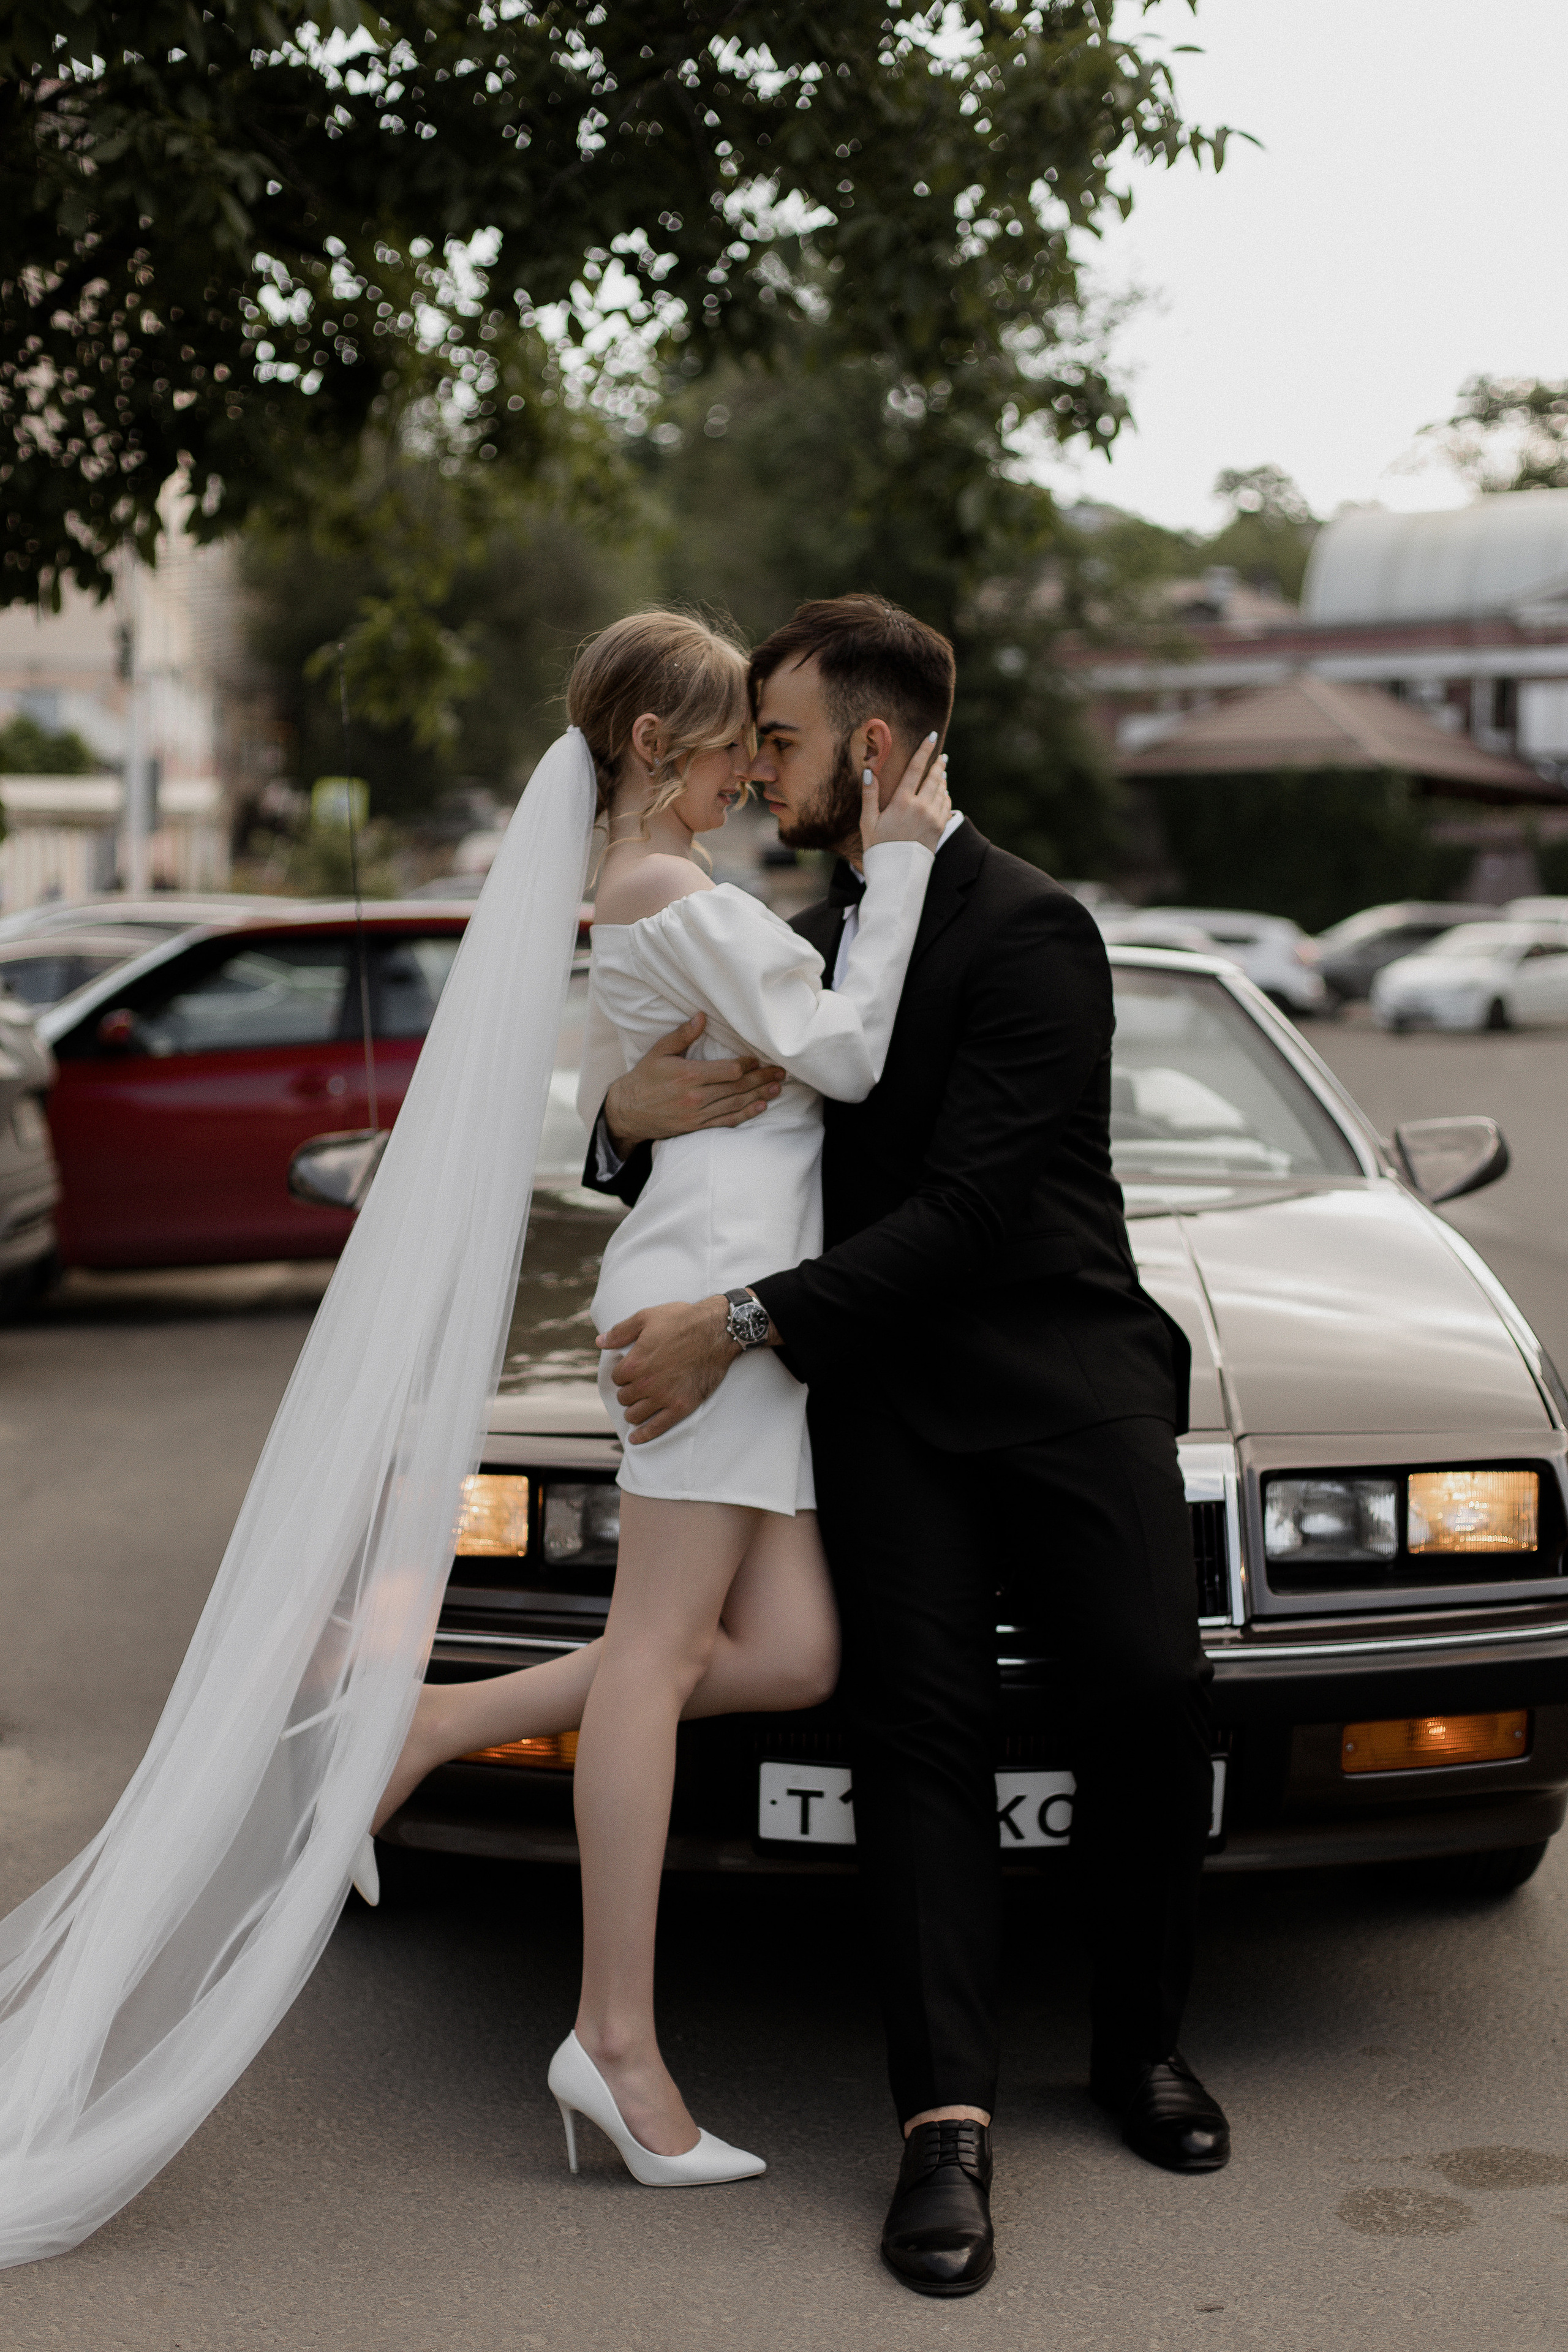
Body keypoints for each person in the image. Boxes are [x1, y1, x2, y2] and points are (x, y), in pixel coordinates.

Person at [584, 594, 1229, 2299]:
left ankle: (1137, 2041)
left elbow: (966, 1207)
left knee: (1149, 1691)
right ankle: (944, 2123)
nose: (762, 768)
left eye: (782, 739)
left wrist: (735, 1324)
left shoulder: (1034, 929)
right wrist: (613, 1117)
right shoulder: (793, 926)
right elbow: (711, 1135)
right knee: (913, 1733)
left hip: (1061, 1366)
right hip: (876, 1399)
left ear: (869, 749)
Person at [369, 609, 952, 2184]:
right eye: (726, 752)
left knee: (790, 1650)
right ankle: (614, 2043)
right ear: (652, 749)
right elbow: (842, 1052)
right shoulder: (661, 884)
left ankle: (442, 1719)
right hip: (705, 1299)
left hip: (737, 1296)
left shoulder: (662, 892)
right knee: (653, 1659)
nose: (749, 780)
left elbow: (637, 1084)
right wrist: (898, 869)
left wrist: (624, 1101)